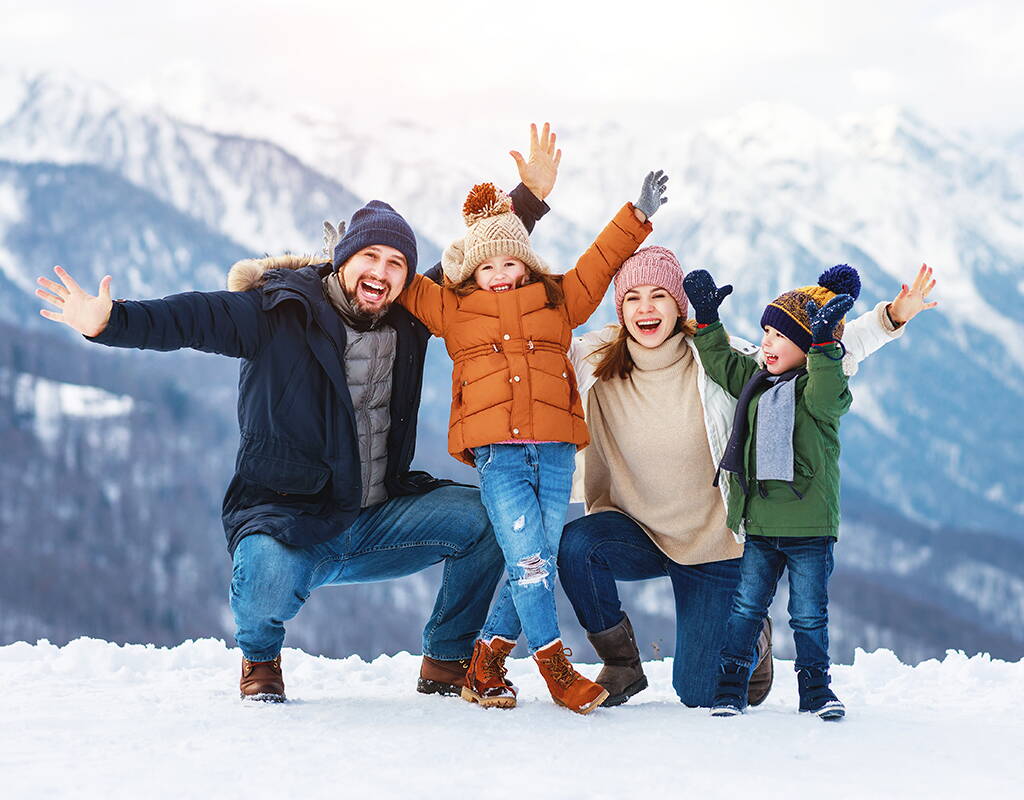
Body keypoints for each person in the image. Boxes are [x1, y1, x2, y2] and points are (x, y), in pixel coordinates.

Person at [34, 125, 561, 703]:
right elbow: (193, 318)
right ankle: (260, 659)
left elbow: (480, 260)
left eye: (395, 264)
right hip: (292, 517)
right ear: (343, 259)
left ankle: (448, 658)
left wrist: (528, 200)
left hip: (382, 511)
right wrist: (110, 322)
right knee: (261, 569)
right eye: (370, 256)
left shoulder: (412, 315)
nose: (381, 273)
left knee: (489, 518)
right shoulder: (277, 312)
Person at [559, 256, 937, 708]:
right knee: (577, 545)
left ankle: (753, 639)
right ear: (620, 310)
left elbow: (807, 352)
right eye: (633, 298)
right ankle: (621, 664)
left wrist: (890, 317)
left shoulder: (723, 361)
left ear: (680, 305)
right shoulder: (593, 362)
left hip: (715, 543)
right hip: (635, 532)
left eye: (659, 295)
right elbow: (528, 346)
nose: (646, 309)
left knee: (699, 692)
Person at [397, 171, 669, 713]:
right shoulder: (452, 308)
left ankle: (487, 661)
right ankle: (555, 666)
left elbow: (599, 262)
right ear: (473, 268)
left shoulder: (560, 300)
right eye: (487, 265)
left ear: (526, 261)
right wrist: (343, 256)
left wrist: (636, 216)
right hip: (498, 456)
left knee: (538, 556)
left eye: (509, 262)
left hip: (556, 451)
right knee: (529, 564)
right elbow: (395, 280)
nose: (499, 274)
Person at [683, 264, 860, 719]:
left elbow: (830, 389)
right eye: (764, 331)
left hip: (809, 529)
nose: (765, 343)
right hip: (761, 522)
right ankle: (730, 688)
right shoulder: (758, 383)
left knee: (807, 616)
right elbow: (722, 363)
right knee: (745, 609)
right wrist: (707, 318)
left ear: (806, 345)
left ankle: (816, 691)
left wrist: (825, 346)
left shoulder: (818, 389)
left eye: (778, 336)